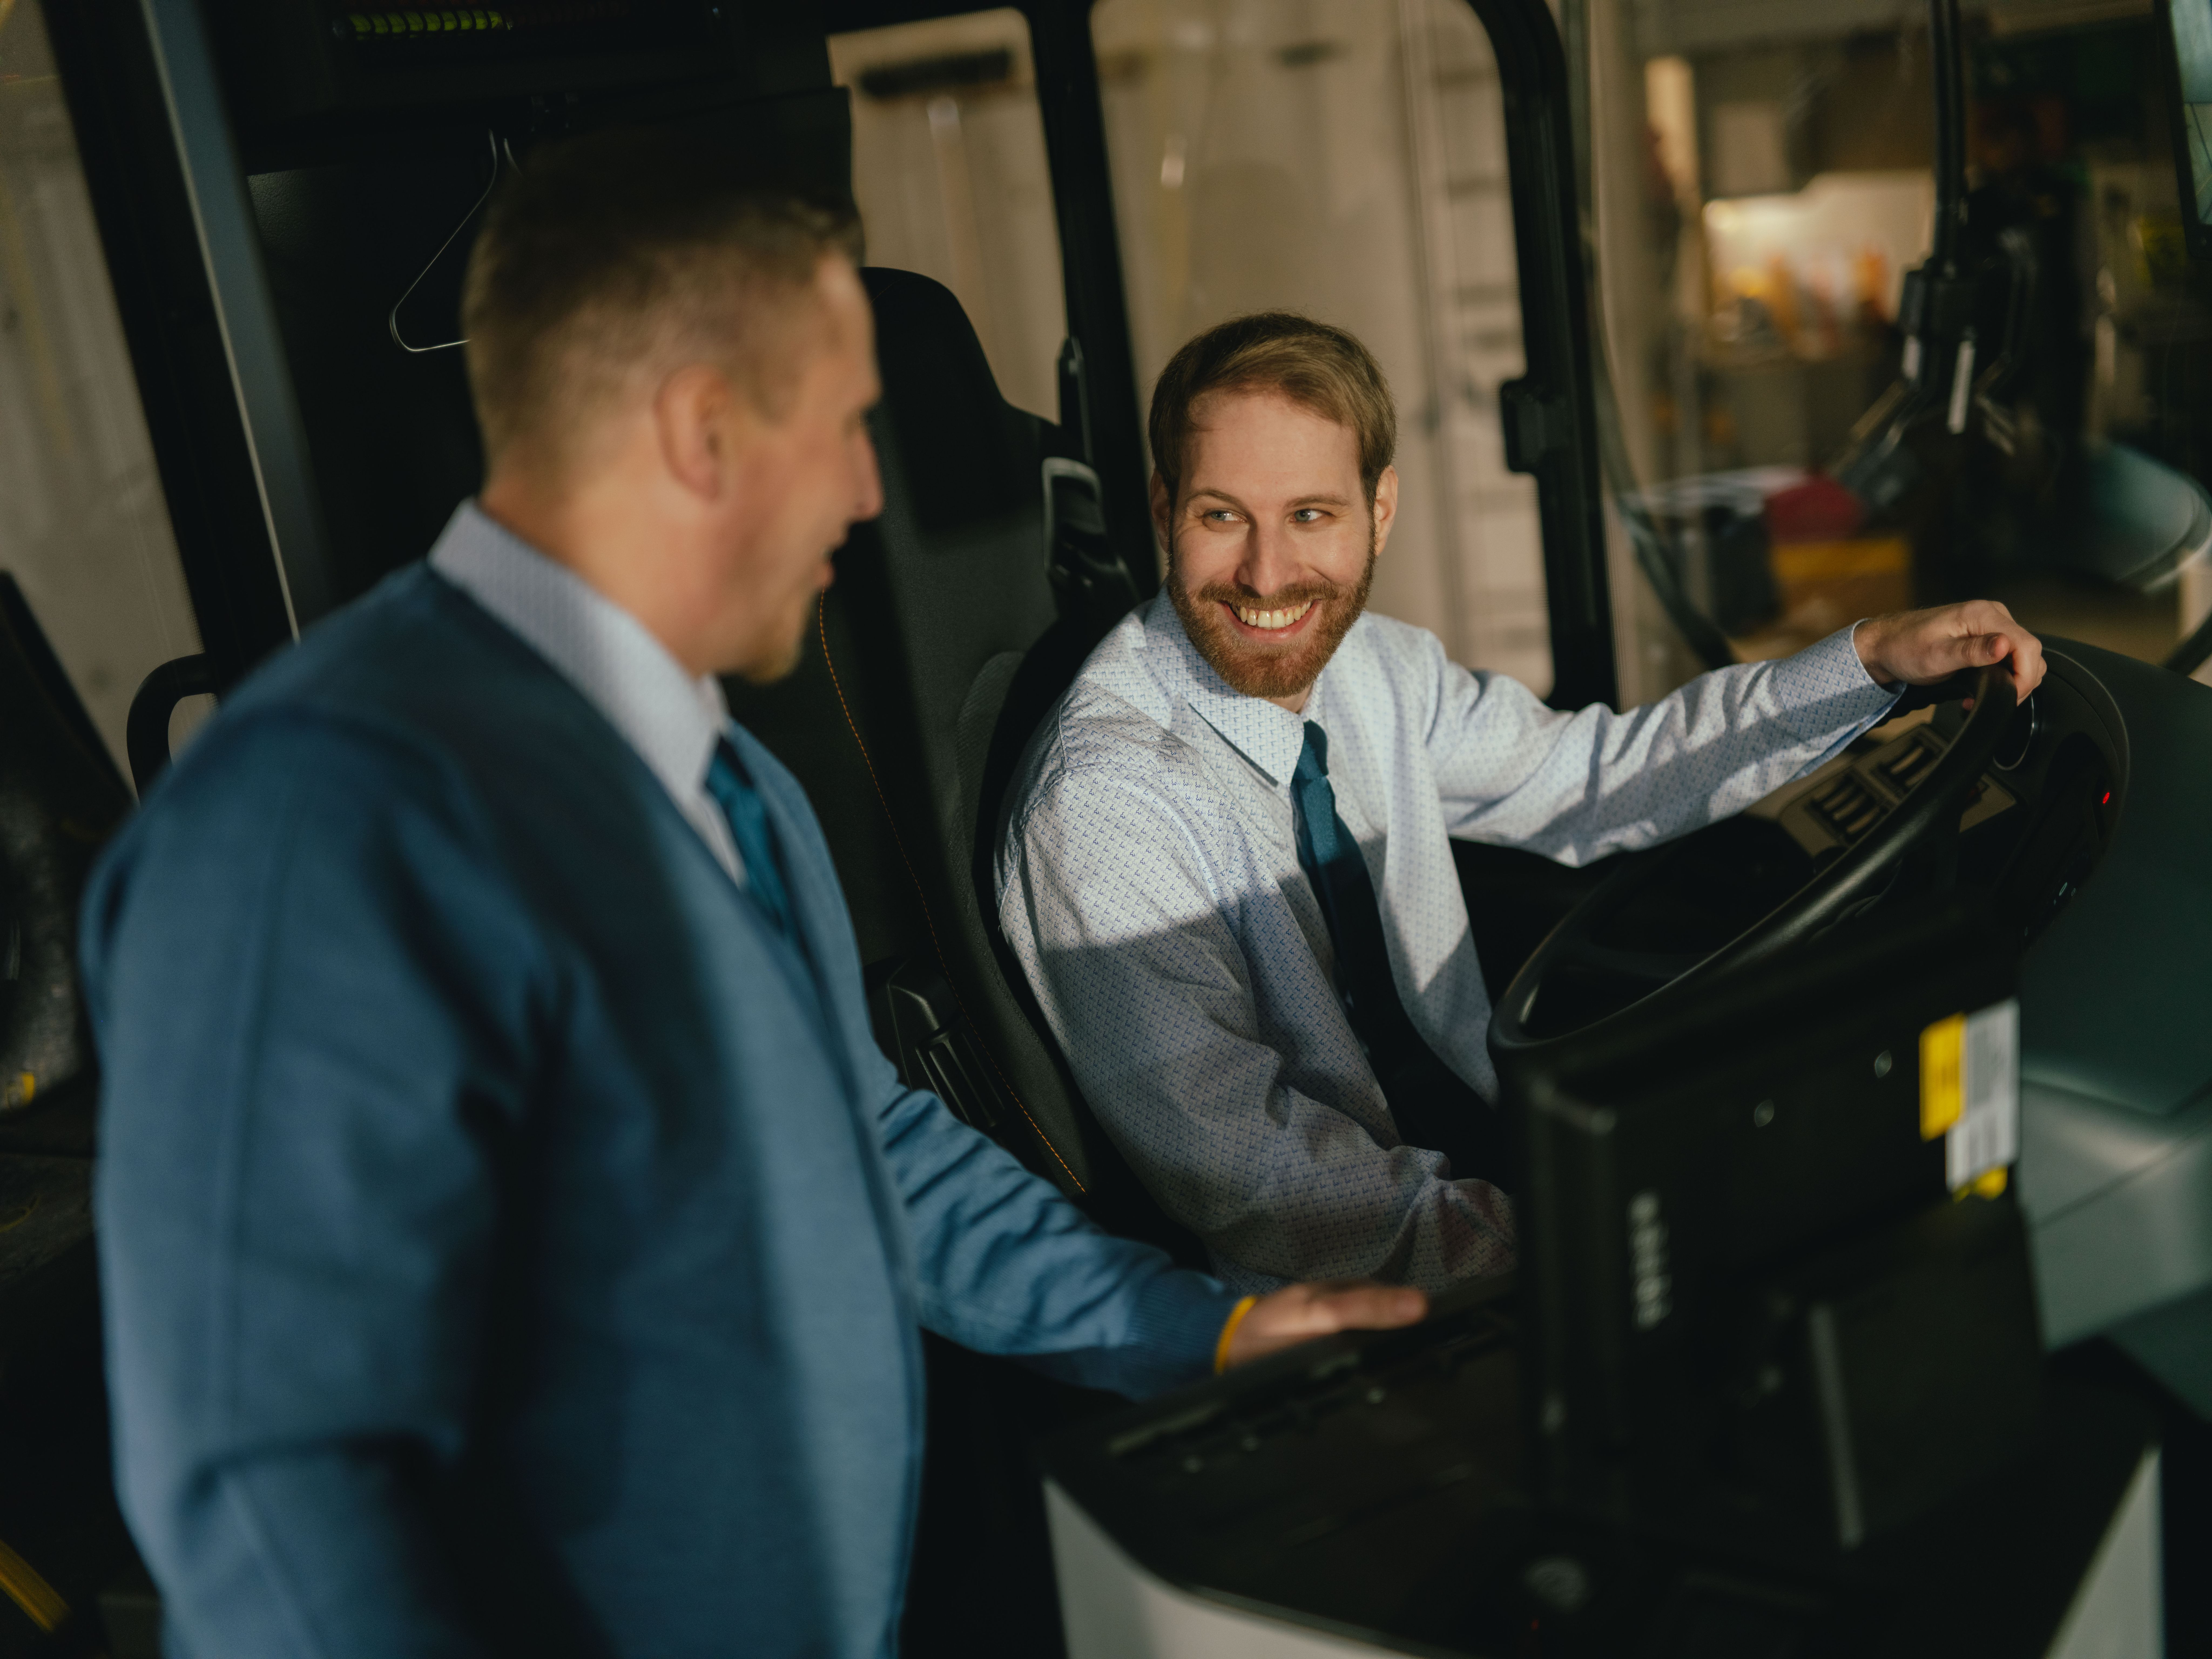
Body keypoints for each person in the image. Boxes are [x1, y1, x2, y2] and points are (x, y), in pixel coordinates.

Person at [81, 135, 1426, 1659]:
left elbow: (871, 1147)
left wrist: (1203, 1330)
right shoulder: (313, 824)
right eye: (850, 427)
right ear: (702, 432)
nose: (866, 496)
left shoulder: (728, 781)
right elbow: (274, 1489)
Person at [995, 312, 2047, 1295]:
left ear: (1379, 509)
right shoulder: (1102, 807)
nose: (1266, 572)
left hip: (1487, 1167)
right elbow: (1265, 1190)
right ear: (1161, 510)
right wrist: (1581, 1239)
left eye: (1309, 514)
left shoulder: (1372, 670)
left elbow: (1593, 778)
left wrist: (1864, 663)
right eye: (1221, 517)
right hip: (1333, 1308)